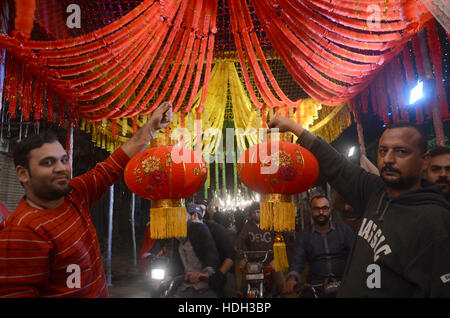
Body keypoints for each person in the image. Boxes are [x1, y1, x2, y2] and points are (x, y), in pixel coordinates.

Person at [0, 101, 173, 298]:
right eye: (48, 162)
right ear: (23, 174)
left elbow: (111, 167)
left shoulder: (76, 194)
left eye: (63, 160)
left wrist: (151, 127)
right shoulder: (21, 232)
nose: (61, 168)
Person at [268, 117, 450, 297]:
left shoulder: (434, 221)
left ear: (425, 160)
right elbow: (337, 165)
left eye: (401, 152)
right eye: (382, 151)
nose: (388, 159)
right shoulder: (376, 191)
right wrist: (294, 127)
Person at [283, 192, 355, 297]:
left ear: (330, 210)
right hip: (316, 286)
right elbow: (297, 261)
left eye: (325, 208)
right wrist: (292, 278)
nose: (321, 212)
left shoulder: (344, 230)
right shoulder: (304, 235)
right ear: (311, 211)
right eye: (316, 209)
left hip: (344, 284)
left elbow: (356, 254)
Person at [170, 202, 220, 298]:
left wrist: (206, 274)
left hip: (203, 284)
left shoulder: (200, 228)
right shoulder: (177, 237)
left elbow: (210, 251)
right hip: (185, 285)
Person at [234, 202, 285, 296]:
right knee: (244, 275)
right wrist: (237, 245)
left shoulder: (270, 224)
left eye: (258, 212)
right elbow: (241, 237)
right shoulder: (247, 226)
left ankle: (283, 293)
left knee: (281, 281)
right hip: (253, 258)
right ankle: (241, 294)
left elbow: (279, 236)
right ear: (251, 214)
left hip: (269, 258)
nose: (256, 215)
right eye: (254, 212)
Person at [197, 201, 238, 297]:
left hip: (222, 274)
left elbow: (230, 256)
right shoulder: (184, 234)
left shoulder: (216, 230)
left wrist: (219, 275)